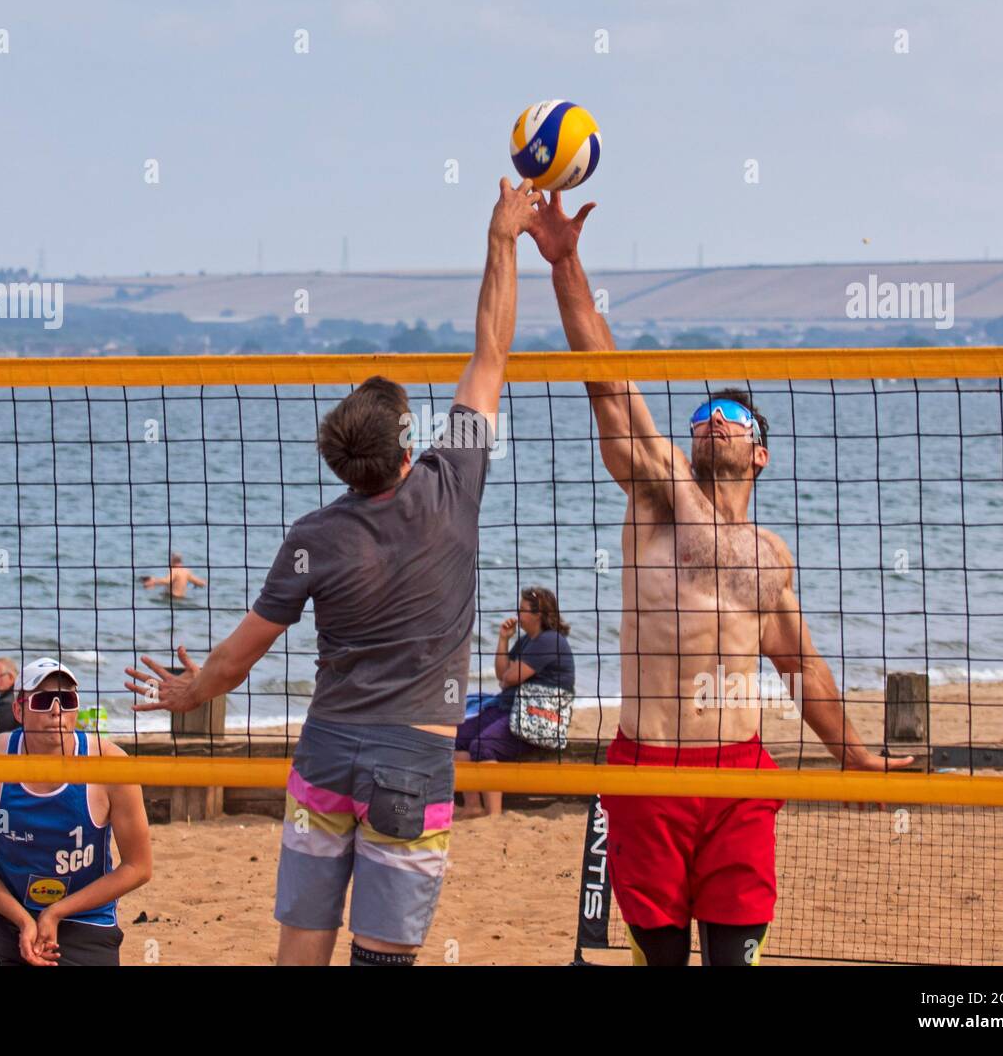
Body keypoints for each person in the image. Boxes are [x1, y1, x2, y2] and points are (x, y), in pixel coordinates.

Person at [126, 177, 540, 966]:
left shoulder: (313, 535)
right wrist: (502, 237)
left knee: (300, 950)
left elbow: (237, 659)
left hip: (326, 753)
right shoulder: (451, 487)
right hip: (411, 759)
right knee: (381, 959)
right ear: (407, 449)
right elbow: (491, 352)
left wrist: (187, 693)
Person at [529, 190, 912, 967]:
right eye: (705, 409)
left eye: (734, 414)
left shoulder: (769, 558)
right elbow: (605, 381)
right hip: (650, 770)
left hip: (737, 773)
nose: (714, 419)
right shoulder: (658, 490)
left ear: (760, 453)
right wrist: (566, 261)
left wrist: (855, 757)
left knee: (735, 961)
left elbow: (800, 667)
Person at [0, 658, 152, 966]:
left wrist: (56, 912)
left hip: (86, 918)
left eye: (67, 700)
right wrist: (23, 919)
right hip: (8, 915)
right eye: (44, 700)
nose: (56, 710)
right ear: (19, 710)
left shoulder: (111, 764)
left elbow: (139, 866)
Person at [455, 586, 575, 818]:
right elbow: (503, 676)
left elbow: (511, 677)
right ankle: (472, 806)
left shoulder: (550, 641)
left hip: (535, 717)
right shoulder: (527, 641)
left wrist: (509, 678)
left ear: (538, 614)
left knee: (484, 745)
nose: (518, 614)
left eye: (522, 610)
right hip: (508, 708)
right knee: (459, 737)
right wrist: (503, 640)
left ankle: (494, 814)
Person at [141, 553, 206, 599]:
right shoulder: (187, 571)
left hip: (171, 597)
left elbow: (167, 581)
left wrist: (153, 581)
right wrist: (202, 583)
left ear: (172, 561)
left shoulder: (174, 571)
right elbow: (199, 582)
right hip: (181, 598)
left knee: (148, 587)